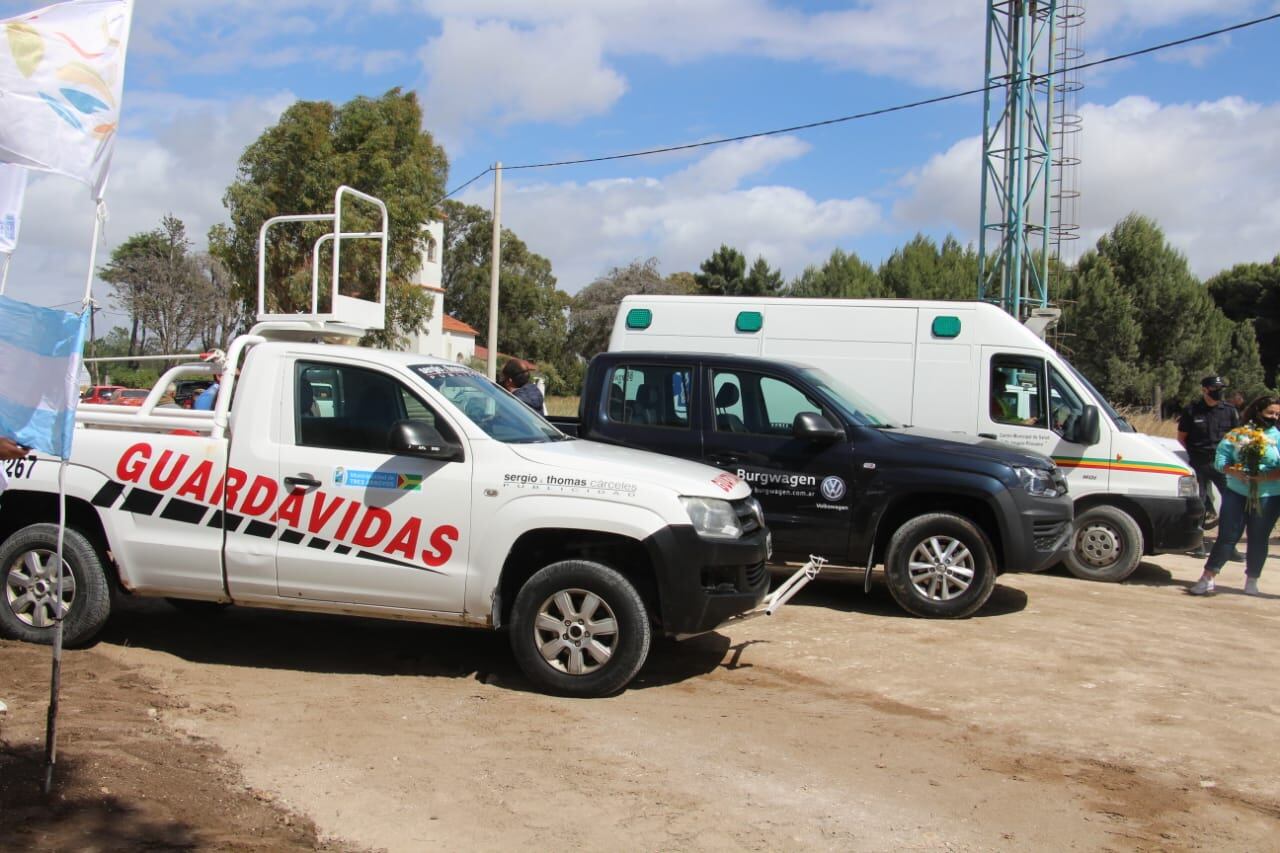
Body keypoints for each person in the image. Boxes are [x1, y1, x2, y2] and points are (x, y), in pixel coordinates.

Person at [1188, 395, 1280, 596]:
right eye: (1270, 413)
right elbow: (1220, 460)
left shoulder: (1278, 437)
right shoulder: (1238, 434)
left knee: (1258, 538)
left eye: (1277, 414)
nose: (1273, 417)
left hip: (1268, 496)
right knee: (1228, 536)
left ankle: (1252, 579)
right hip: (1237, 492)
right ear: (1257, 411)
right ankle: (1208, 577)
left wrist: (1263, 477)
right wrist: (1233, 471)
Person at [1178, 374, 1240, 557]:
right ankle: (1197, 543)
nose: (1218, 392)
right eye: (1214, 389)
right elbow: (1181, 438)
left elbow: (1236, 437)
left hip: (1223, 464)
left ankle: (1229, 546)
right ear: (1204, 390)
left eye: (1221, 389)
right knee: (1199, 503)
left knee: (1232, 503)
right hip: (1200, 463)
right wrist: (1197, 452)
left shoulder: (1229, 411)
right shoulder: (1192, 411)